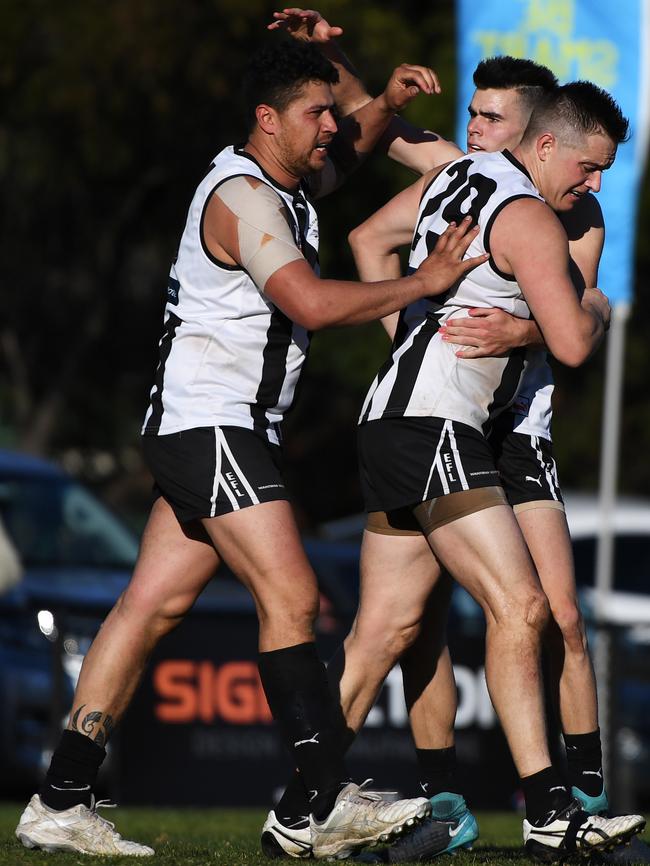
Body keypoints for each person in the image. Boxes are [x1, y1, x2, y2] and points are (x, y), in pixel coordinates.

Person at [14, 38, 490, 861]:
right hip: (213, 424)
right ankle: (321, 799)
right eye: (315, 116)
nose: (328, 130)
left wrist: (382, 103)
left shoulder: (287, 185)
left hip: (207, 426)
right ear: (266, 120)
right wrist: (423, 282)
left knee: (148, 608)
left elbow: (352, 150)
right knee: (293, 594)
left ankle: (59, 798)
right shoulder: (244, 198)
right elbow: (306, 297)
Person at [259, 26, 645, 863]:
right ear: (546, 144)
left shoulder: (465, 175)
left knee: (382, 632)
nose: (596, 182)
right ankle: (552, 810)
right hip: (436, 425)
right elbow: (575, 344)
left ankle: (296, 809)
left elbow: (385, 209)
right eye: (589, 165)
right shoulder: (532, 218)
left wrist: (503, 326)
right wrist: (583, 312)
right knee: (526, 607)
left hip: (390, 421)